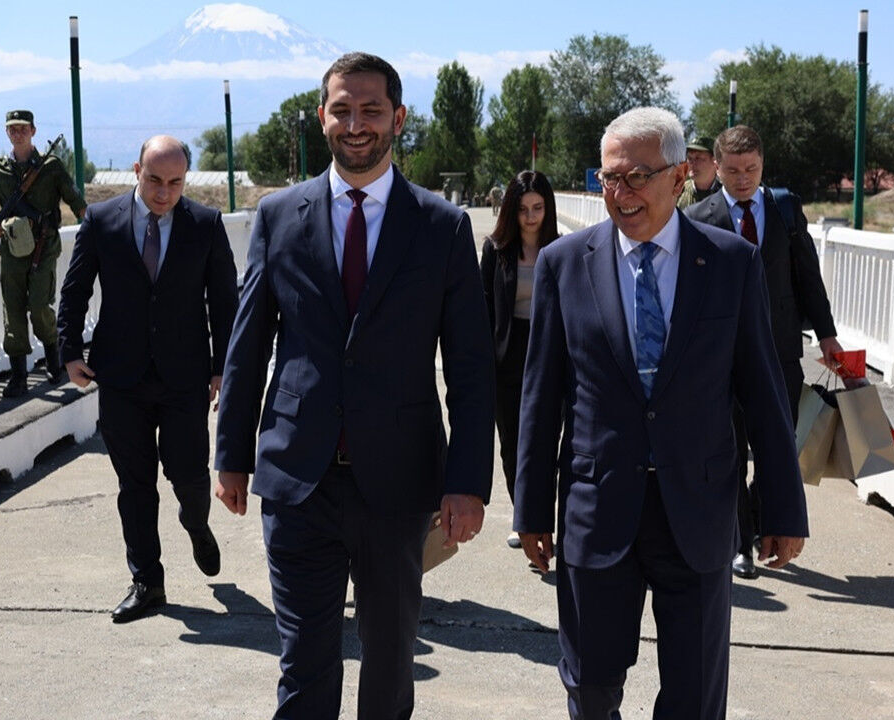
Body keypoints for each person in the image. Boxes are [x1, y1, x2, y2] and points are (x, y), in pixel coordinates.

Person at [213, 52, 494, 719]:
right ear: (322, 117)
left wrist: (467, 482)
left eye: (371, 109)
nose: (356, 123)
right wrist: (231, 455)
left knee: (390, 662)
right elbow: (248, 345)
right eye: (342, 109)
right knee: (303, 666)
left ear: (398, 118)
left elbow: (470, 367)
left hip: (398, 485)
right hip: (296, 479)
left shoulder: (442, 227)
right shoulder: (278, 216)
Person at [515, 107, 808, 720]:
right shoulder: (564, 265)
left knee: (694, 699)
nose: (620, 193)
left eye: (637, 177)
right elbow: (542, 397)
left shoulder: (731, 263)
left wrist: (782, 507)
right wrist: (532, 508)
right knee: (591, 689)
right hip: (598, 511)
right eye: (609, 178)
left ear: (678, 178)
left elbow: (763, 394)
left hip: (698, 512)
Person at [56, 135, 239, 623]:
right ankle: (147, 582)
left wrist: (222, 366)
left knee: (189, 475)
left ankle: (196, 523)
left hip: (185, 377)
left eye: (175, 183)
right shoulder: (101, 220)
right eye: (155, 180)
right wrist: (69, 352)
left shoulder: (205, 224)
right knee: (134, 484)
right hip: (120, 376)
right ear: (136, 171)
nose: (164, 193)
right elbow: (74, 289)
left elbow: (225, 302)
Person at [685, 124, 842, 579]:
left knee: (779, 444)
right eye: (733, 170)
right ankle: (740, 544)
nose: (743, 179)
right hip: (721, 358)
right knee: (731, 450)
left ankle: (754, 520)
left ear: (762, 165)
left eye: (751, 169)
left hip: (779, 351)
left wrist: (827, 335)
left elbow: (808, 277)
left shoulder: (784, 209)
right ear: (717, 168)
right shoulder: (697, 218)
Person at [0, 109, 87, 398]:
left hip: (45, 245)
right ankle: (18, 376)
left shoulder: (51, 166)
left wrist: (99, 231)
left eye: (23, 128)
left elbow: (77, 203)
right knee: (13, 310)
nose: (18, 133)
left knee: (40, 305)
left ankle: (54, 358)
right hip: (12, 247)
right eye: (13, 129)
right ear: (7, 132)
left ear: (33, 131)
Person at [479, 170, 559, 548]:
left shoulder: (561, 250)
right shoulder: (495, 251)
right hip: (507, 359)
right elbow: (482, 308)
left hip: (549, 355)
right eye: (523, 209)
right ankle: (522, 518)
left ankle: (544, 520)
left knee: (545, 443)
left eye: (538, 208)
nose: (530, 217)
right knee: (512, 444)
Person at [676, 134, 721, 209]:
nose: (692, 163)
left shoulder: (727, 194)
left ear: (714, 161)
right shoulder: (678, 191)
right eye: (689, 158)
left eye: (698, 158)